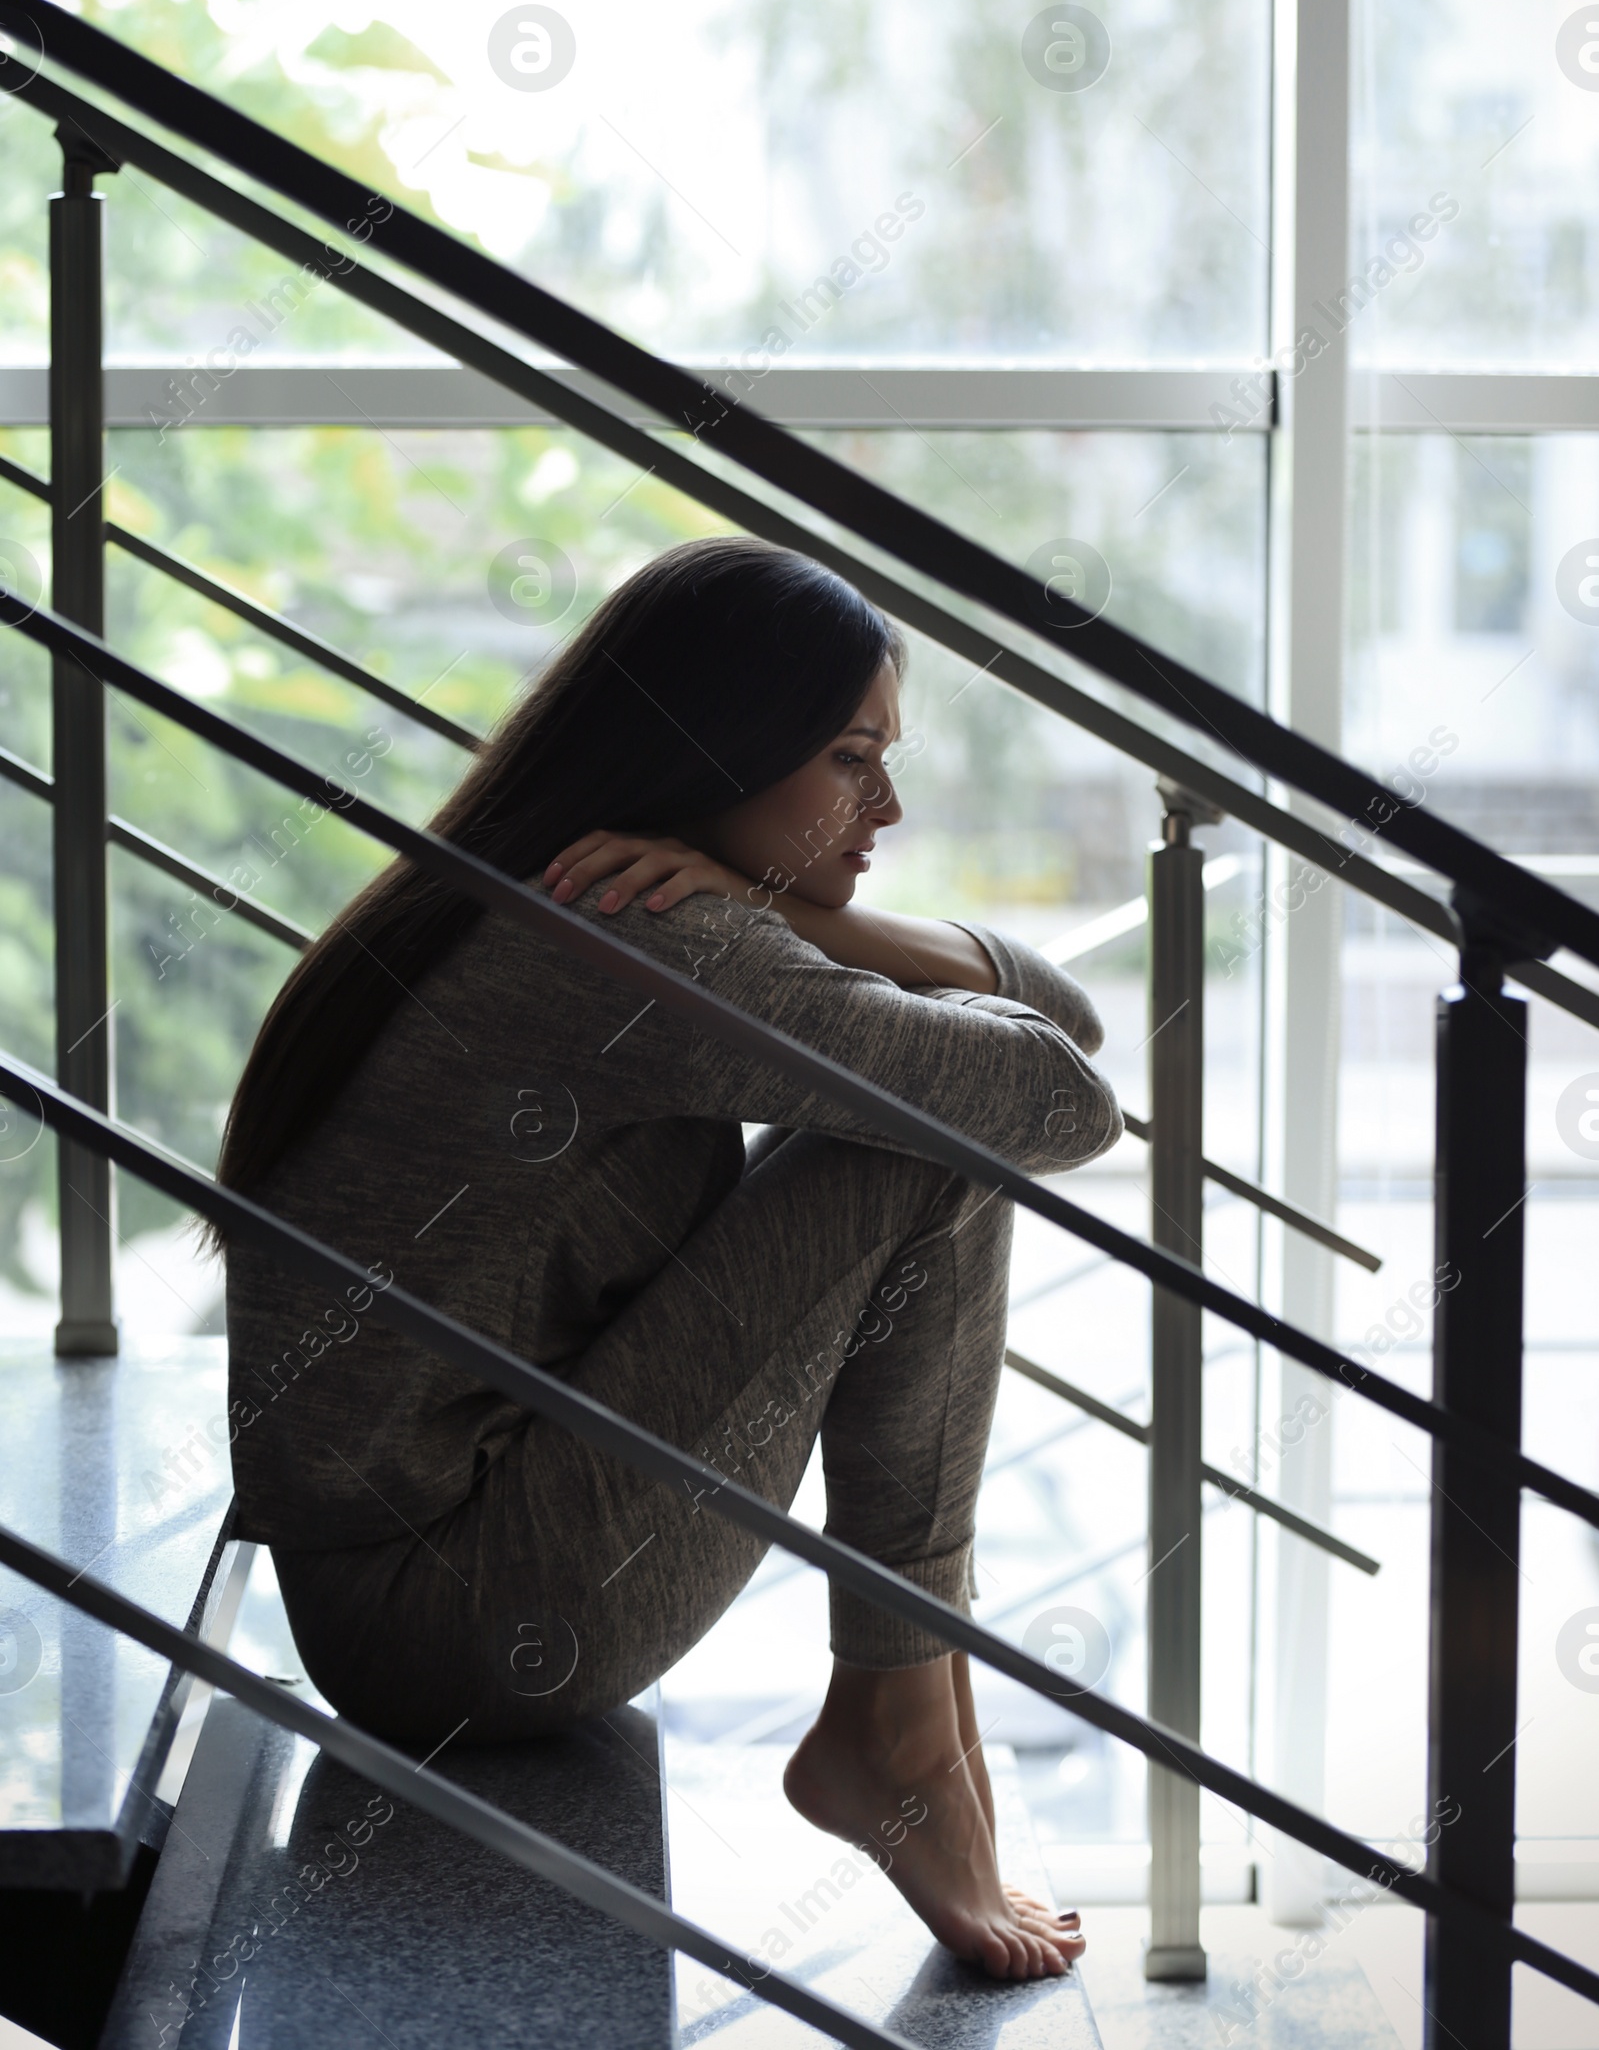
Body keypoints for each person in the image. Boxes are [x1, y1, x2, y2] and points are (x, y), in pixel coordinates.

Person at [217, 535, 1121, 1981]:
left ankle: (906, 1726)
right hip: (461, 1620)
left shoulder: (546, 891)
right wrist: (796, 919)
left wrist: (811, 908)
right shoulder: (646, 943)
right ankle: (897, 1725)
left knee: (917, 1117)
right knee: (922, 1139)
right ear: (717, 745)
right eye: (846, 756)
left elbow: (1057, 1045)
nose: (885, 802)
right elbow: (1066, 1094)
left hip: (401, 1592)